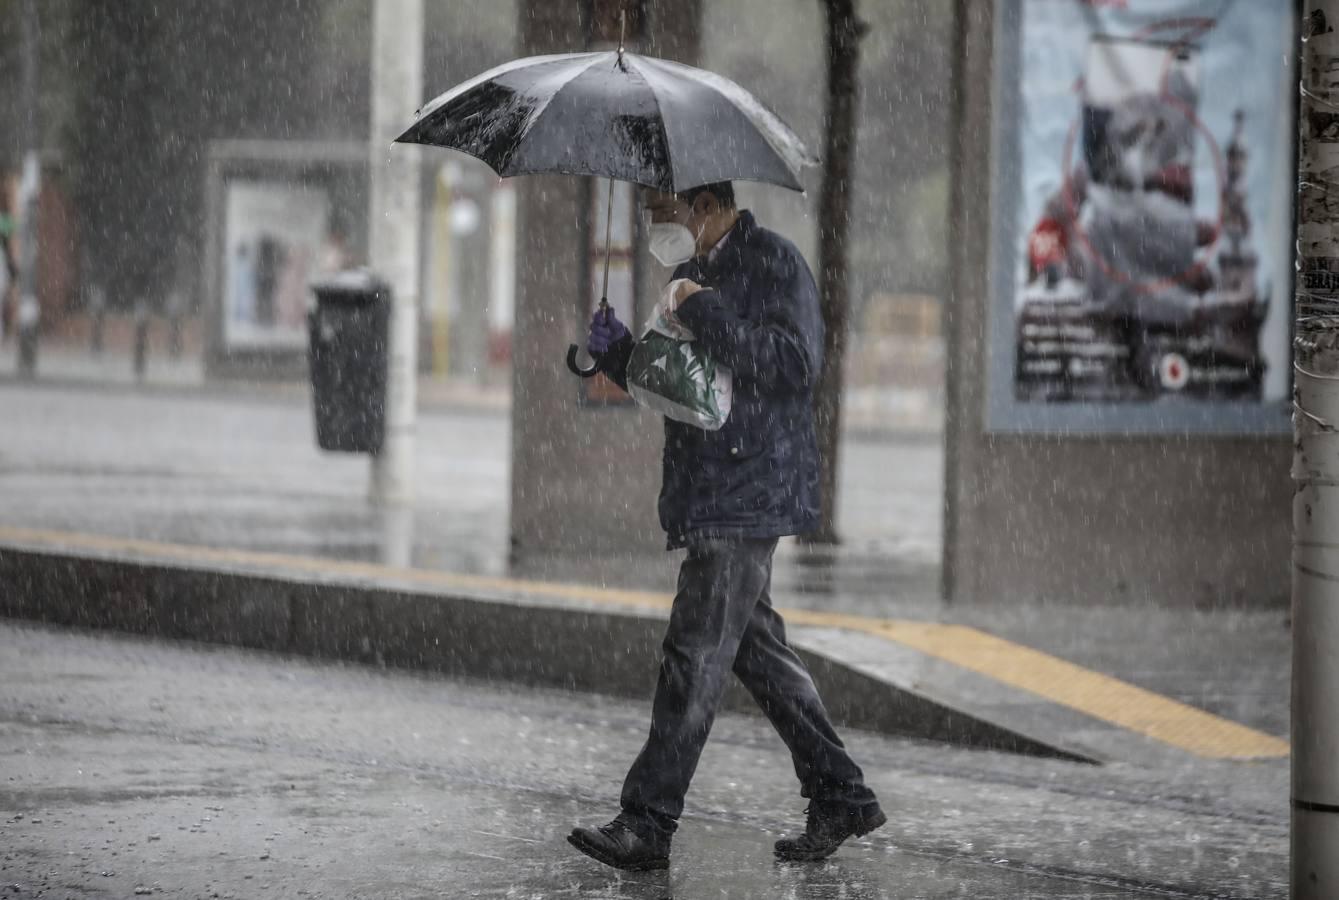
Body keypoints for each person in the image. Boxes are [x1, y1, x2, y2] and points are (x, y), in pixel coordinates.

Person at [566, 182, 885, 871]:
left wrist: (703, 310)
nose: (655, 225)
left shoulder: (772, 263)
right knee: (752, 651)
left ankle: (647, 821)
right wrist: (619, 354)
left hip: (748, 489)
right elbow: (682, 386)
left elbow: (792, 366)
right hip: (708, 487)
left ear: (705, 204)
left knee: (692, 657)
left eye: (663, 210)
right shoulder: (690, 274)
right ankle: (840, 793)